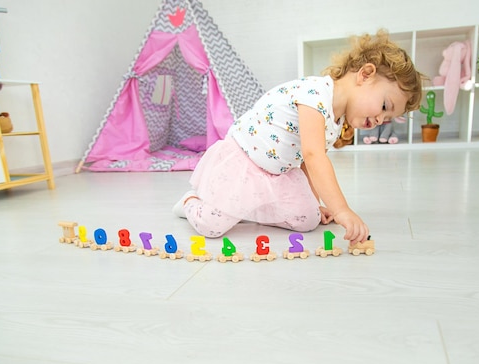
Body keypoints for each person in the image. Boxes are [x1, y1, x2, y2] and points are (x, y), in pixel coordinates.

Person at [173, 29, 425, 243]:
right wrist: (341, 210)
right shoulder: (316, 94)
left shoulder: (335, 122)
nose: (381, 120)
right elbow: (313, 156)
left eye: (388, 118)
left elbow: (307, 164)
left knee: (308, 220)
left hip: (278, 172)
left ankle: (244, 204)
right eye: (384, 106)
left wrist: (315, 204)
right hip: (244, 161)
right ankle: (190, 201)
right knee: (211, 226)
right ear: (365, 74)